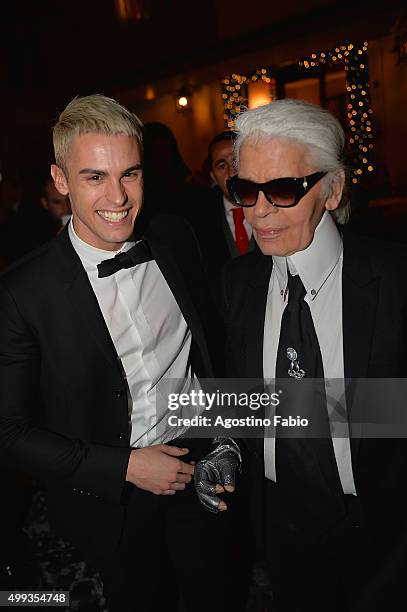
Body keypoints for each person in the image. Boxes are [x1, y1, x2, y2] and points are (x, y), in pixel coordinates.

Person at [0, 95, 244, 612]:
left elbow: (209, 350)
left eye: (129, 174)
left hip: (202, 462)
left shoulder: (175, 237)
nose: (118, 196)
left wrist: (225, 435)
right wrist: (124, 467)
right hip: (112, 496)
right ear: (60, 180)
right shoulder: (23, 291)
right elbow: (9, 430)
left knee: (217, 590)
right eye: (94, 177)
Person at [220, 99, 407, 611]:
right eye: (245, 190)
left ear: (334, 189)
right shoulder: (236, 284)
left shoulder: (394, 280)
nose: (257, 212)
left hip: (385, 532)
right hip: (283, 531)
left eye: (282, 190)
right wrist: (219, 441)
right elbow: (241, 400)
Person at [192, 131, 255, 302]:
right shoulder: (198, 222)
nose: (231, 171)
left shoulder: (273, 205)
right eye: (221, 165)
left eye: (236, 161)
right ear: (213, 176)